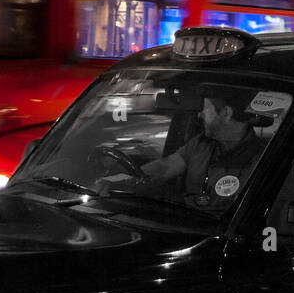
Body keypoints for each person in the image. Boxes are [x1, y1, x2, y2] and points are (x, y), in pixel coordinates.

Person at [103, 88, 264, 206]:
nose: (199, 115)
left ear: (226, 113)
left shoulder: (260, 158)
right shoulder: (201, 143)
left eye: (204, 110)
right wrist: (127, 181)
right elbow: (165, 166)